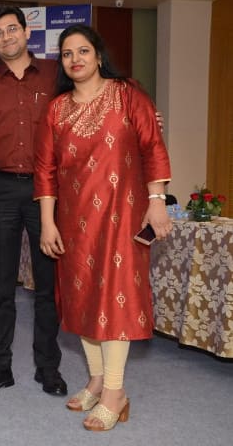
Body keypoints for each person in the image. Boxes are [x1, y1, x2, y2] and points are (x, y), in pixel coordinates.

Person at [34, 24, 172, 431]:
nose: (75, 59)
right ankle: (96, 380)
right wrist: (47, 223)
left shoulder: (128, 95)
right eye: (67, 54)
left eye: (83, 51)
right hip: (74, 220)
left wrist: (157, 201)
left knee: (115, 299)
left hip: (122, 215)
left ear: (98, 55)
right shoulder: (56, 109)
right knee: (82, 297)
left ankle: (115, 391)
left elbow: (153, 148)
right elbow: (45, 170)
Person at [0, 6, 66, 398]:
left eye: (12, 29)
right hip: (1, 190)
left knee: (47, 286)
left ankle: (48, 368)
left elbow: (97, 94)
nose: (6, 36)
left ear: (27, 32)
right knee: (0, 287)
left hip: (47, 192)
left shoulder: (56, 73)